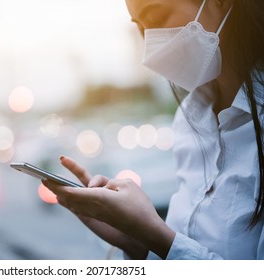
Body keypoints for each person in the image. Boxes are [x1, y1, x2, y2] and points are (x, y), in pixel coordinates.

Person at [43, 0, 264, 260]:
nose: (150, 48)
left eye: (158, 17)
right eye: (141, 28)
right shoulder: (189, 120)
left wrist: (156, 235)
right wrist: (135, 239)